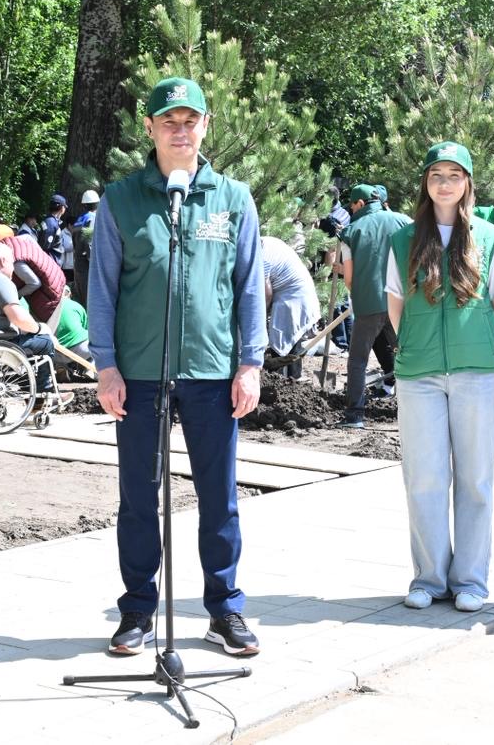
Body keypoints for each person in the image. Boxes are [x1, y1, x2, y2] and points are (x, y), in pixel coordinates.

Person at [90, 76, 265, 657]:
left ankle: (225, 609)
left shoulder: (233, 198)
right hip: (138, 373)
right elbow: (103, 291)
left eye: (191, 120)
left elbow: (246, 289)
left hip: (214, 371)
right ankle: (138, 608)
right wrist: (106, 366)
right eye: (169, 120)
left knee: (219, 497)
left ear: (206, 126)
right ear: (150, 128)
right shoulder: (121, 199)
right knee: (139, 496)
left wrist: (250, 363)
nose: (180, 130)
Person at [384, 141, 494, 613]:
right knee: (424, 477)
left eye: (454, 175)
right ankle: (429, 577)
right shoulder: (403, 239)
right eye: (436, 174)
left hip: (476, 373)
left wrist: (475, 343)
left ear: (467, 184)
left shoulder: (490, 237)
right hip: (419, 375)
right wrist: (418, 345)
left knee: (476, 479)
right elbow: (396, 304)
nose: (444, 183)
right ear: (425, 183)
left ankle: (471, 581)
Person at [337, 184, 411, 427]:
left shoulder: (350, 231)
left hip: (369, 302)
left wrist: (360, 293)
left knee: (358, 359)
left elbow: (349, 278)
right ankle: (412, 411)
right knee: (408, 354)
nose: (350, 209)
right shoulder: (404, 221)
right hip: (401, 301)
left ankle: (355, 416)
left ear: (360, 203)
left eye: (352, 205)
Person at [0, 240, 58, 395]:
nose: (13, 269)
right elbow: (18, 318)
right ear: (3, 261)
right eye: (12, 263)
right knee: (46, 343)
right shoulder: (0, 280)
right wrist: (40, 328)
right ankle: (42, 393)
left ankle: (27, 389)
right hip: (0, 343)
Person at [260, 235, 319, 380]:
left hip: (294, 297)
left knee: (284, 344)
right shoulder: (266, 242)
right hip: (296, 294)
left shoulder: (261, 255)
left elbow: (266, 294)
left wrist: (258, 322)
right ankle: (291, 381)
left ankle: (283, 383)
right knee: (291, 341)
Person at [0, 228, 66, 324]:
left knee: (45, 330)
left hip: (49, 296)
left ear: (2, 260)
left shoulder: (16, 263)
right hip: (58, 276)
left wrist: (17, 295)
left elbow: (35, 283)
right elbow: (29, 238)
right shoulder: (14, 241)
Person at [70, 189, 100, 307]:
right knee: (90, 298)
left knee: (81, 295)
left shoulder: (80, 219)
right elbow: (89, 242)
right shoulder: (92, 219)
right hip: (87, 265)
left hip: (78, 262)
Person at [53, 290, 92, 377]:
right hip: (81, 350)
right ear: (69, 294)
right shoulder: (75, 305)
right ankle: (90, 368)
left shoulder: (48, 307)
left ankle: (61, 367)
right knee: (100, 342)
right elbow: (86, 327)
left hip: (55, 353)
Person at [39, 194, 67, 266]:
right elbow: (46, 247)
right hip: (51, 264)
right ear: (62, 208)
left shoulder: (51, 221)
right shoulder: (51, 224)